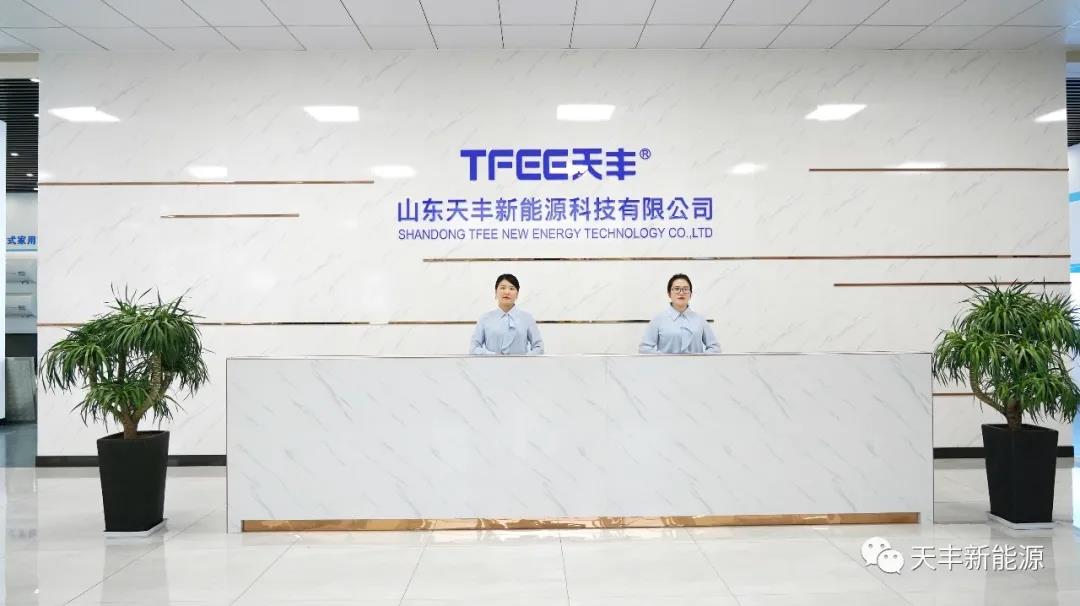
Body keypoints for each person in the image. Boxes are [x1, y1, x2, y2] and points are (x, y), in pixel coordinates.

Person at [638, 273, 720, 354]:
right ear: (669, 293)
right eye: (677, 289)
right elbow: (644, 348)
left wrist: (700, 358)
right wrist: (664, 358)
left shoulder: (700, 320)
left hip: (696, 363)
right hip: (666, 363)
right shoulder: (658, 319)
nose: (681, 293)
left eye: (685, 289)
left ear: (690, 294)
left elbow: (715, 348)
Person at [470, 273, 544, 355]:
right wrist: (492, 356)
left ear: (517, 294)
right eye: (502, 288)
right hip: (492, 363)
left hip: (521, 363)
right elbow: (473, 348)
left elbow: (539, 347)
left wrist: (523, 358)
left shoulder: (527, 318)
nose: (507, 292)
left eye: (512, 288)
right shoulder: (485, 318)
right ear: (496, 292)